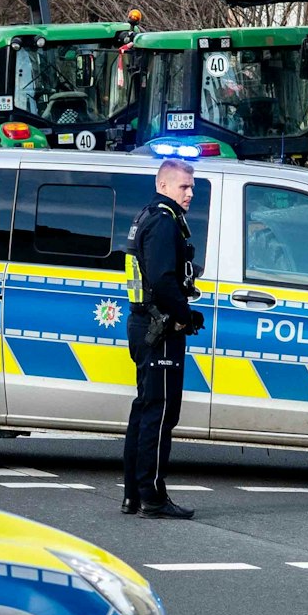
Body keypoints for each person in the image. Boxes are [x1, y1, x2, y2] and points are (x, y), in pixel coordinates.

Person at [122, 159, 203, 520]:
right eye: (184, 186)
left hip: (145, 324)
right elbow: (162, 280)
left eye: (192, 186)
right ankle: (152, 497)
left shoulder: (147, 215)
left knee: (145, 410)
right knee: (160, 414)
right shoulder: (164, 221)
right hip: (161, 328)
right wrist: (186, 315)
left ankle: (133, 495)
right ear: (164, 185)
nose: (190, 193)